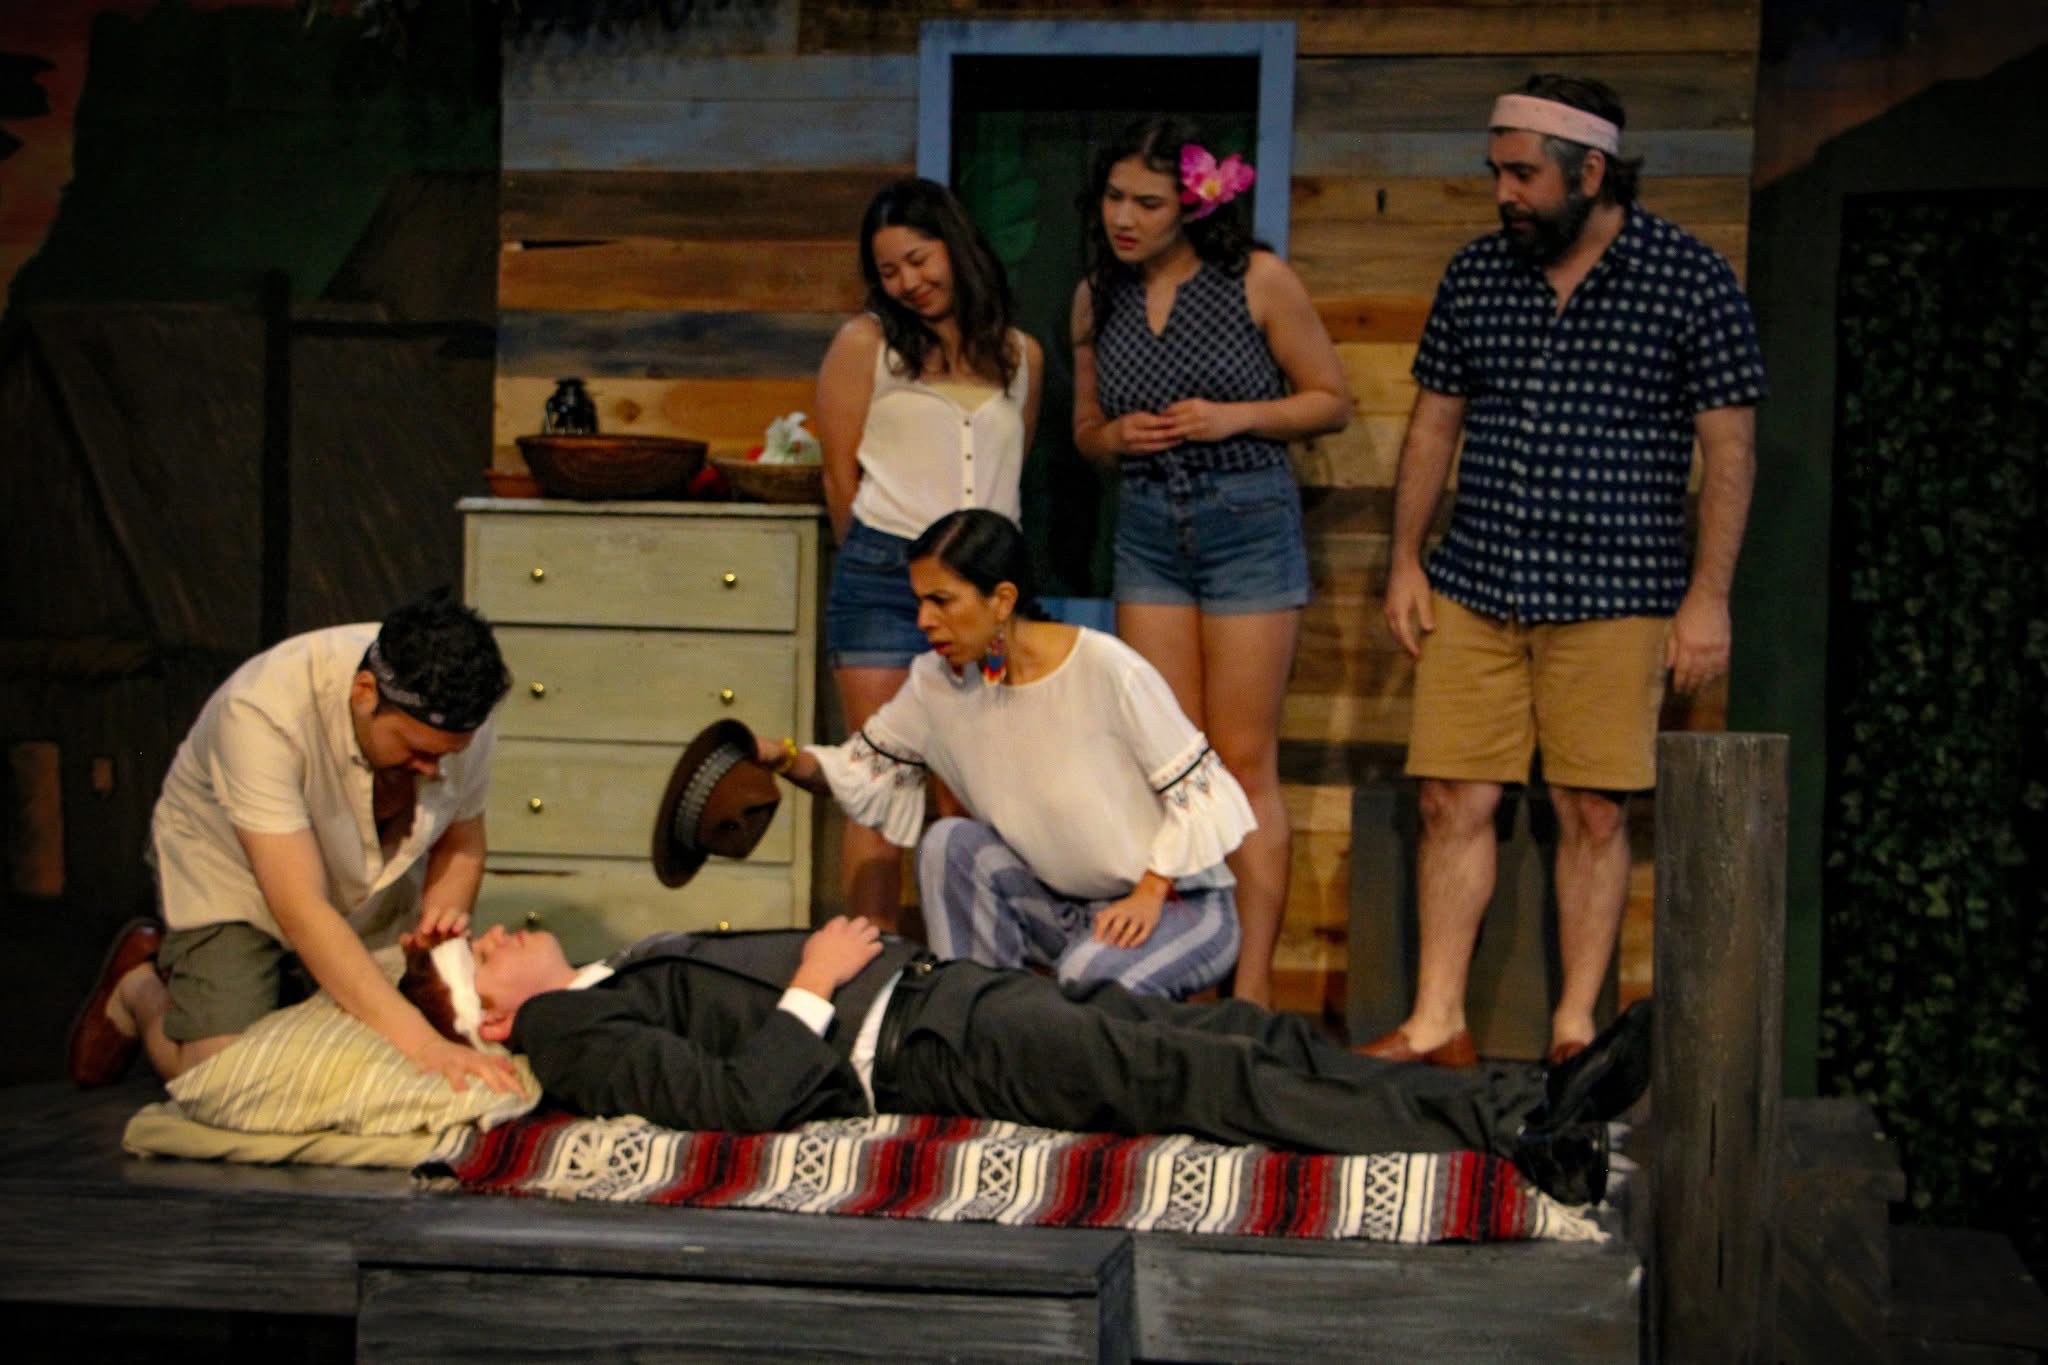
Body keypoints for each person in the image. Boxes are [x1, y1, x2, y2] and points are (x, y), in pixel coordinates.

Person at [1368, 76, 1766, 1068]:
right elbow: (1434, 423)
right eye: (1495, 172)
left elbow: (1728, 450)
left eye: (1521, 174)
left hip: (1616, 589)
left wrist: (1708, 597)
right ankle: (1436, 1019)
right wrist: (1405, 559)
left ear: (1590, 171)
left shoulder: (1686, 277)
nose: (1502, 192)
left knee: (1592, 808)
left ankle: (1574, 1031)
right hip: (1478, 578)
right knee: (1449, 799)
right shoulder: (1478, 272)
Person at [400, 916, 1653, 1207]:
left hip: (948, 998)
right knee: (1200, 1081)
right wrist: (813, 981)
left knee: (1238, 1034)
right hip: (927, 1041)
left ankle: (1526, 1094)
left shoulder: (596, 981)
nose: (500, 933)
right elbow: (733, 1104)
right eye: (483, 956)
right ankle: (1511, 1135)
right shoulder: (566, 1030)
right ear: (492, 1022)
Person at [1071, 115, 1352, 1006]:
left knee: (1242, 758)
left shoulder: (1256, 279)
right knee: (1173, 761)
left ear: (1192, 205)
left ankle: (1253, 989)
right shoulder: (1096, 297)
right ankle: (1191, 973)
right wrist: (1115, 436)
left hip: (1244, 517)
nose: (1125, 218)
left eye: (1148, 203)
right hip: (1149, 521)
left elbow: (1330, 400)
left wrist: (1238, 415)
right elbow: (1084, 434)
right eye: (1115, 197)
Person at [762, 509, 1250, 1000]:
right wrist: (780, 758)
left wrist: (1150, 891)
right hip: (1061, 910)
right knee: (949, 844)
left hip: (1177, 903)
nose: (924, 621)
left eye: (941, 601)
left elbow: (1205, 796)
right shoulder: (935, 684)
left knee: (1089, 977)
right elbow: (856, 772)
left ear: (1002, 600)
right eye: (920, 602)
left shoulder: (1108, 669)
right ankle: (971, 1018)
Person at [66, 590, 522, 1094]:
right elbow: (300, 908)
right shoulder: (261, 711)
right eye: (417, 751)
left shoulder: (460, 715)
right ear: (364, 692)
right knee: (222, 1074)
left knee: (370, 1041)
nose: (434, 770)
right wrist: (425, 1046)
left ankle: (285, 987)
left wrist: (438, 944)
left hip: (370, 866)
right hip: (235, 870)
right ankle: (138, 987)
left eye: (446, 755)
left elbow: (461, 838)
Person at [816, 177, 1045, 930]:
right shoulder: (867, 346)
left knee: (977, 787)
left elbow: (1012, 470)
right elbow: (839, 476)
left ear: (955, 247)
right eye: (889, 271)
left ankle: (967, 966)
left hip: (988, 593)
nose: (908, 283)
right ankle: (868, 962)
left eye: (918, 260)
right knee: (879, 785)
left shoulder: (1021, 355)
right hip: (885, 580)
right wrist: (888, 566)